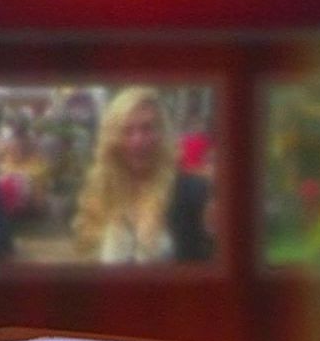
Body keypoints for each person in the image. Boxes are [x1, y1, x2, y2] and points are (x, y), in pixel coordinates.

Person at [71, 87, 214, 265]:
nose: (138, 141)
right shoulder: (99, 190)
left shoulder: (192, 193)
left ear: (162, 133)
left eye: (147, 128)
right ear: (112, 138)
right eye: (127, 130)